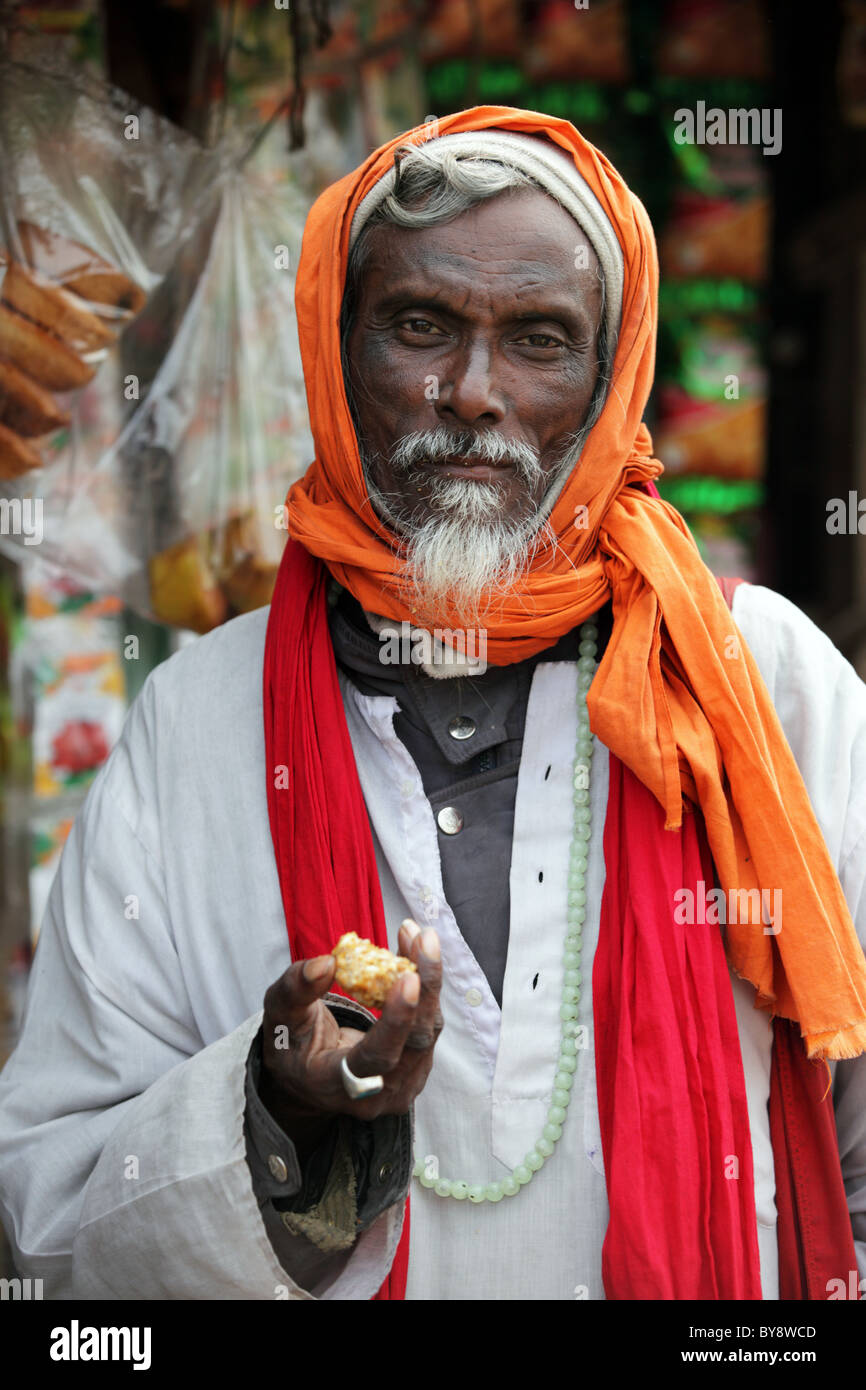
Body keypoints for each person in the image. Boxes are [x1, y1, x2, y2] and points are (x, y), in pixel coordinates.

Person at [1, 106, 866, 1302]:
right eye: (418, 327)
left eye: (539, 339)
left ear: (610, 383)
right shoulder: (196, 719)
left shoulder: (769, 687)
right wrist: (273, 1109)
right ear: (334, 349)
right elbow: (56, 1218)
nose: (470, 391)